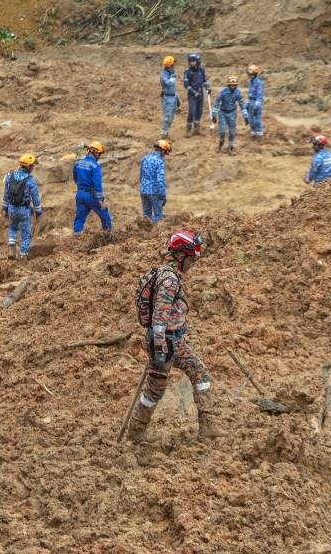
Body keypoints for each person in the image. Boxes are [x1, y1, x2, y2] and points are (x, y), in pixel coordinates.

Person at [127, 230, 220, 442]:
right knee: (156, 388)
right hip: (166, 342)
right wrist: (160, 347)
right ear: (180, 256)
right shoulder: (169, 280)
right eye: (191, 258)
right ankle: (136, 431)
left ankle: (208, 425)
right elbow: (160, 314)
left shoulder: (166, 274)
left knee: (199, 373)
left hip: (172, 340)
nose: (193, 263)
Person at [1, 153, 42, 260]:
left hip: (11, 208)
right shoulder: (30, 180)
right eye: (32, 166)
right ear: (28, 166)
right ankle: (22, 256)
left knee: (13, 228)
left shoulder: (10, 176)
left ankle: (11, 247)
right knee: (25, 235)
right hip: (24, 210)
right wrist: (38, 213)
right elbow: (36, 198)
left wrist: (4, 208)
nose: (33, 168)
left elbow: (5, 194)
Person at [73, 141, 113, 236]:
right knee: (104, 214)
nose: (99, 156)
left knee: (79, 218)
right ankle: (108, 235)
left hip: (80, 194)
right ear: (95, 152)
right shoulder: (95, 166)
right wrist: (100, 200)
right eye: (99, 153)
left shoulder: (78, 163)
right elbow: (97, 184)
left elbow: (75, 178)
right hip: (91, 195)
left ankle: (77, 236)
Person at [211, 75, 247, 154]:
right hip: (223, 113)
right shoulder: (223, 92)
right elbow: (217, 102)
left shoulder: (238, 93)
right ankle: (220, 145)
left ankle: (230, 148)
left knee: (232, 131)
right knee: (222, 131)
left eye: (234, 85)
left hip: (232, 114)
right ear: (228, 85)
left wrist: (245, 116)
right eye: (231, 85)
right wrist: (213, 115)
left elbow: (242, 104)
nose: (233, 87)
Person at [139, 139, 171, 226]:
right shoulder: (159, 161)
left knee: (146, 215)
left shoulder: (144, 158)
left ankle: (144, 234)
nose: (165, 155)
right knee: (157, 216)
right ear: (163, 151)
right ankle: (154, 236)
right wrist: (162, 195)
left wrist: (143, 187)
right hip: (154, 192)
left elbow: (140, 175)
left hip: (143, 190)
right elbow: (160, 180)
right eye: (165, 153)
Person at [182, 53, 210, 137]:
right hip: (192, 95)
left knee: (200, 111)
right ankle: (188, 129)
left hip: (200, 94)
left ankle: (197, 129)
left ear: (198, 61)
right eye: (190, 61)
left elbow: (204, 80)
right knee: (192, 111)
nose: (192, 63)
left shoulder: (201, 69)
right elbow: (186, 85)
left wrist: (207, 87)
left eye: (193, 61)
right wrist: (194, 92)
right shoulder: (187, 72)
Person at [159, 55, 179, 139]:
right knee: (167, 117)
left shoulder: (171, 74)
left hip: (172, 97)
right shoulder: (163, 75)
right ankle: (163, 136)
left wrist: (177, 97)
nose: (174, 66)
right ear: (169, 66)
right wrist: (172, 78)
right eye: (173, 65)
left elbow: (173, 87)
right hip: (167, 98)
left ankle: (166, 133)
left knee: (171, 117)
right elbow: (168, 83)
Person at [245, 64, 265, 140]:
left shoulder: (259, 83)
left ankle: (259, 133)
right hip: (250, 102)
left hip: (256, 102)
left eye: (251, 74)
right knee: (250, 119)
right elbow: (249, 93)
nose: (249, 76)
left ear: (255, 74)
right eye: (249, 74)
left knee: (257, 120)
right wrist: (247, 103)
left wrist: (257, 104)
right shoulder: (251, 82)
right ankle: (253, 132)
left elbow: (260, 95)